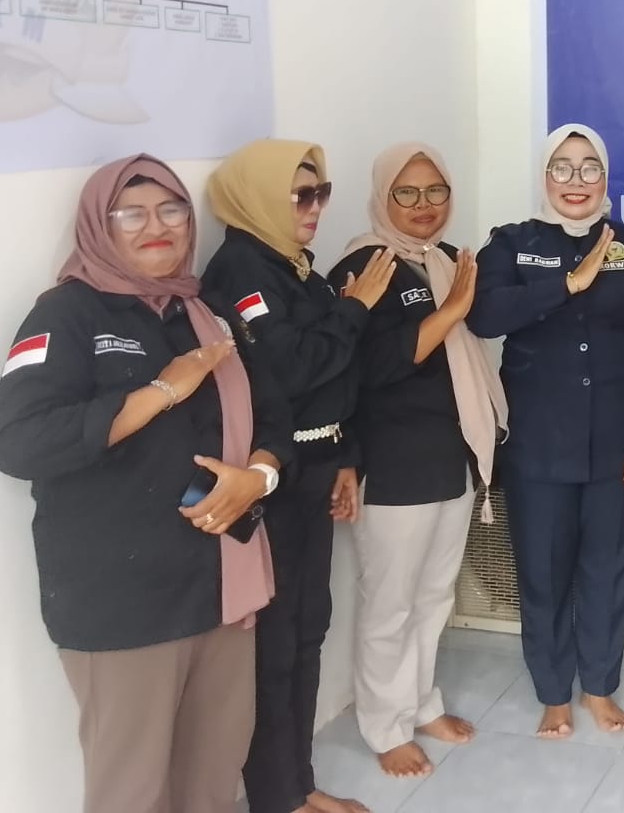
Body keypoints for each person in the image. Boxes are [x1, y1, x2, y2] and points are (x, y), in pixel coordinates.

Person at [0, 154, 289, 813]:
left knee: (213, 773)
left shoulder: (206, 311)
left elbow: (274, 415)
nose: (157, 227)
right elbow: (19, 443)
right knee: (132, 790)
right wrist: (161, 391)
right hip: (124, 599)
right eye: (132, 214)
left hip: (221, 581)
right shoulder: (65, 315)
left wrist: (258, 477)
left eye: (171, 209)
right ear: (100, 225)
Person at [203, 139, 395, 813]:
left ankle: (299, 786)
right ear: (257, 197)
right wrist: (355, 309)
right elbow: (289, 369)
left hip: (315, 467)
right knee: (276, 645)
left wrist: (345, 454)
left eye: (320, 193)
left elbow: (337, 376)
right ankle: (276, 796)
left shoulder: (296, 267)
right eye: (298, 195)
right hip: (272, 481)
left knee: (309, 629)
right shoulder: (241, 271)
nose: (313, 208)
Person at [468, 124, 624, 739]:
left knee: (609, 570)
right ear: (545, 176)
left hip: (617, 445)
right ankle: (553, 693)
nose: (576, 180)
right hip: (538, 444)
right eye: (562, 167)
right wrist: (565, 285)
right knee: (543, 570)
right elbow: (483, 315)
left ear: (605, 178)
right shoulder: (512, 243)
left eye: (589, 168)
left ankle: (600, 687)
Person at [330, 143, 507, 779]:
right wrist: (452, 309)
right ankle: (384, 725)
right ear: (383, 197)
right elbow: (366, 366)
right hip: (393, 465)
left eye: (436, 191)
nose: (424, 204)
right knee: (391, 604)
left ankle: (420, 703)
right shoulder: (364, 265)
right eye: (407, 192)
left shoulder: (442, 259)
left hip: (451, 457)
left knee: (434, 596)